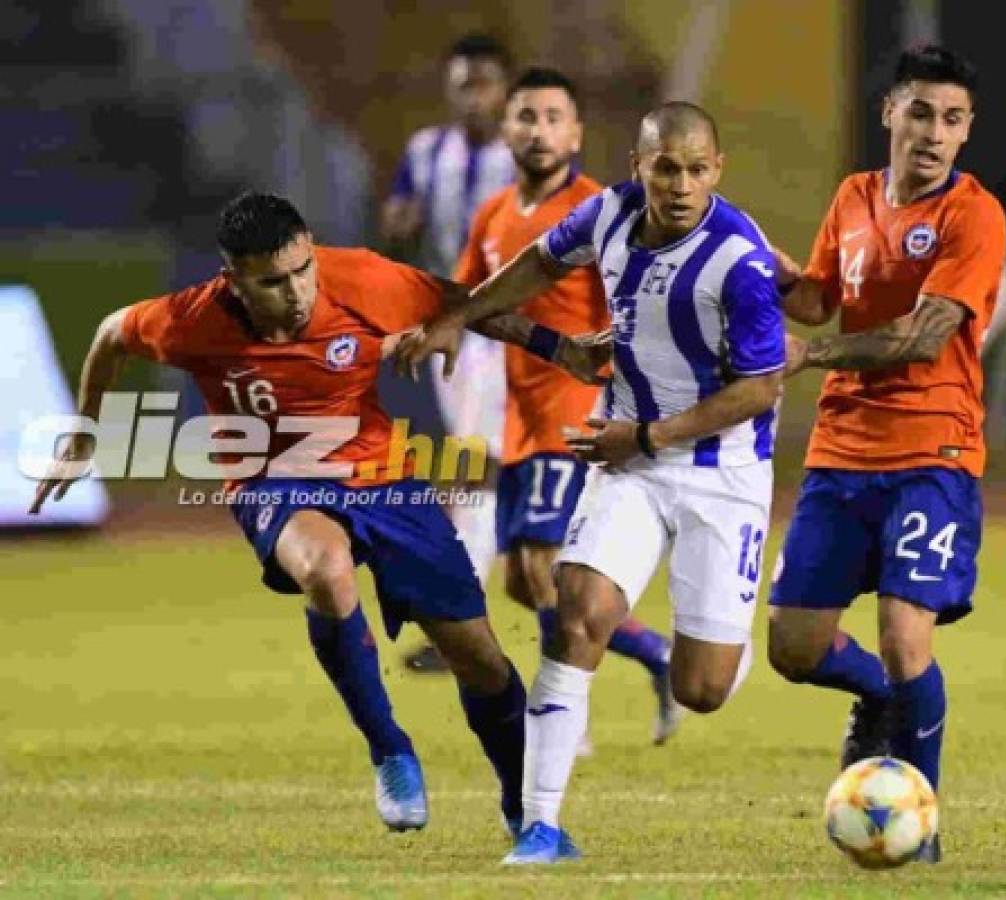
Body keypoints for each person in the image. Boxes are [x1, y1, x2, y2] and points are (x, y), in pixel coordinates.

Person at [29, 192, 606, 837]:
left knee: (479, 660)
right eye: (272, 282)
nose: (297, 291)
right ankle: (390, 748)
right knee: (326, 572)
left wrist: (561, 350)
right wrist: (84, 431)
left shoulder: (360, 277)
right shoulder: (192, 319)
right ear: (234, 279)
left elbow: (464, 302)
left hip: (383, 475)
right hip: (273, 479)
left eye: (302, 270)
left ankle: (520, 804)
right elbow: (113, 331)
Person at [395, 101, 787, 864]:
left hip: (720, 473)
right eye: (665, 167)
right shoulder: (607, 213)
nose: (680, 184)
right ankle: (540, 827)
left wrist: (644, 435)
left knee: (702, 688)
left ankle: (731, 624)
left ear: (718, 170)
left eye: (697, 169)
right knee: (574, 611)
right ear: (638, 166)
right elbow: (541, 263)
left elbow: (760, 390)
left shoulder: (738, 261)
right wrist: (461, 316)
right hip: (629, 463)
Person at [766, 45, 1006, 864]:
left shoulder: (974, 215)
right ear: (889, 116)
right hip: (842, 450)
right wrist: (761, 273)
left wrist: (812, 355)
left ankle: (920, 816)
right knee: (793, 649)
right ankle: (875, 698)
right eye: (920, 113)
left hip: (933, 448)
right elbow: (818, 298)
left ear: (967, 130)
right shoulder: (852, 197)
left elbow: (926, 333)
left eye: (952, 119)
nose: (935, 133)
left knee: (908, 633)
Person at [455, 66, 680, 749]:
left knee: (546, 563)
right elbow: (470, 299)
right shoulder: (493, 215)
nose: (540, 130)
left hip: (579, 409)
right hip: (520, 414)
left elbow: (644, 300)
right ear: (506, 129)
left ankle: (563, 715)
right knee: (526, 581)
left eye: (555, 117)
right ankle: (656, 655)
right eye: (527, 116)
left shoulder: (602, 211)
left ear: (577, 132)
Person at [381, 33, 516, 674]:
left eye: (485, 82)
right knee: (480, 468)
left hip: (504, 331)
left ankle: (463, 621)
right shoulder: (426, 150)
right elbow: (399, 219)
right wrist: (398, 223)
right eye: (464, 83)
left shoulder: (525, 156)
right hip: (446, 328)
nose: (474, 95)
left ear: (506, 89)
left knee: (475, 466)